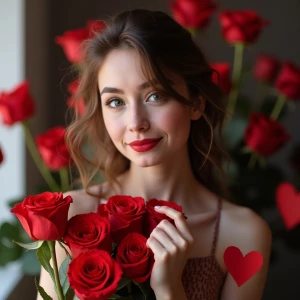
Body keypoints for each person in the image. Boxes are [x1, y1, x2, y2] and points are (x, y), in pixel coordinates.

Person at [38, 9, 272, 300]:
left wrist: (170, 290)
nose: (136, 122)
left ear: (196, 102)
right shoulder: (73, 218)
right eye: (115, 101)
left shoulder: (242, 234)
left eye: (155, 96)